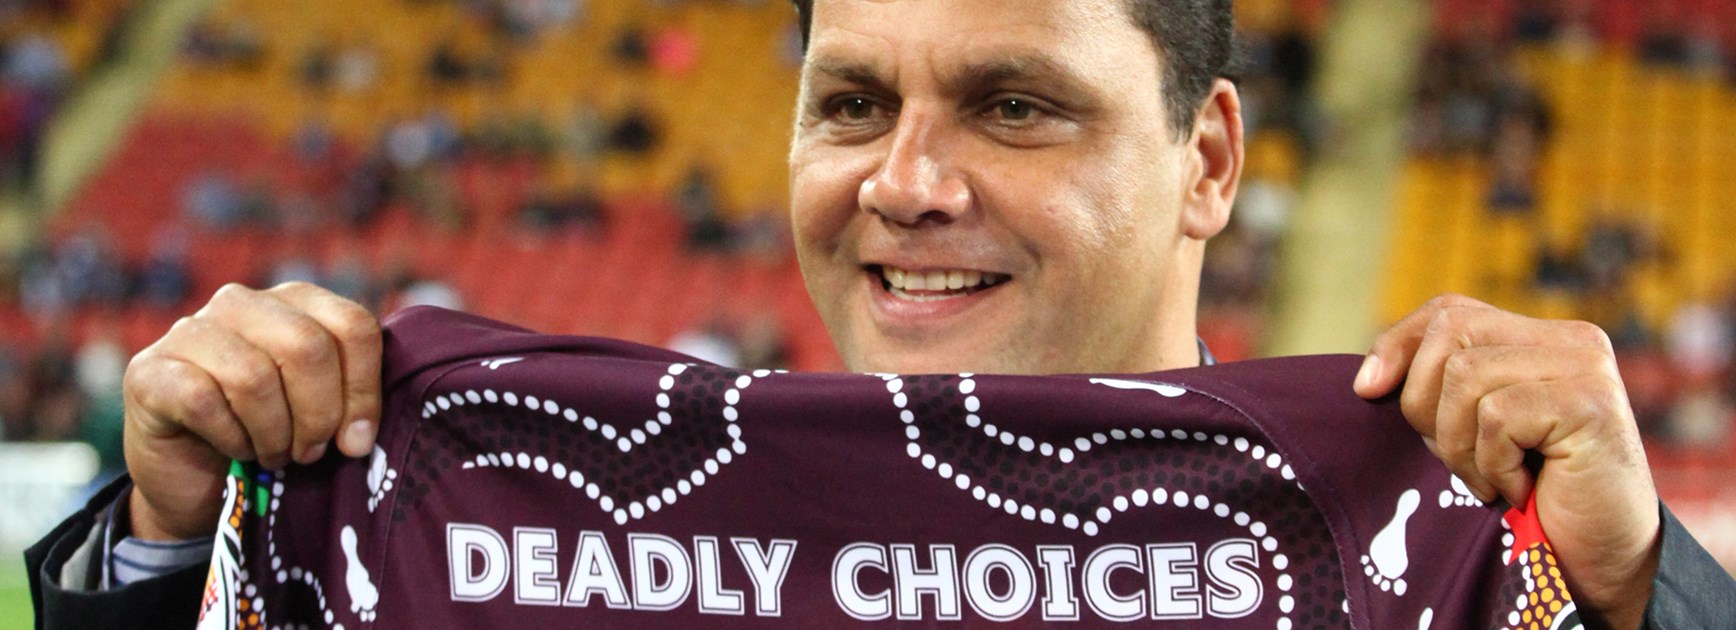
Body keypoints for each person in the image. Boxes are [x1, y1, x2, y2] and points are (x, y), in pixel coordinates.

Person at [27, 0, 1731, 628]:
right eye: (850, 104)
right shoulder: (558, 526)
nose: (905, 182)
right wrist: (174, 548)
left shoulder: (1435, 553)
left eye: (1013, 106)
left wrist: (1647, 594)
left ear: (1208, 160)